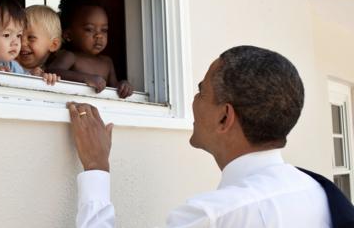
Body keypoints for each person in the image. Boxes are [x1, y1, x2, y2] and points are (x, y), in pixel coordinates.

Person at [67, 46, 332, 227]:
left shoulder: (212, 216)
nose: (193, 101)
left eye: (201, 92)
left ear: (224, 117)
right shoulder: (318, 191)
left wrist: (96, 170)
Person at [47, 0, 133, 98]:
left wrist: (124, 85)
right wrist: (85, 78)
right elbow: (52, 71)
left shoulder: (107, 62)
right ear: (68, 35)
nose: (99, 35)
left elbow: (114, 87)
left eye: (104, 30)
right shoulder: (71, 56)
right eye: (89, 29)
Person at [17, 5, 62, 85]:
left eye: (31, 37)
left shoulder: (49, 72)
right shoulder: (6, 64)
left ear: (53, 45)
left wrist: (47, 79)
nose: (22, 43)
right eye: (18, 36)